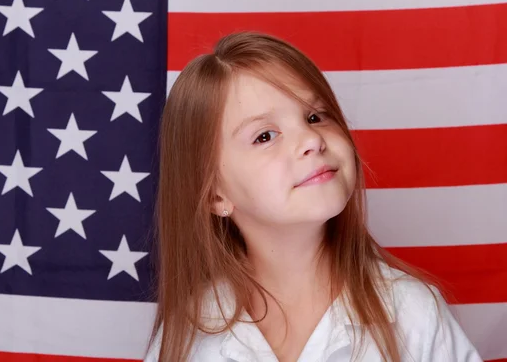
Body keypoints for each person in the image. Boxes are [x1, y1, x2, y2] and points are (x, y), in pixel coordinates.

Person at [143, 32, 482, 362]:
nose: (311, 139)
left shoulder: (414, 313)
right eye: (265, 136)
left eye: (315, 116)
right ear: (216, 196)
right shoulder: (187, 334)